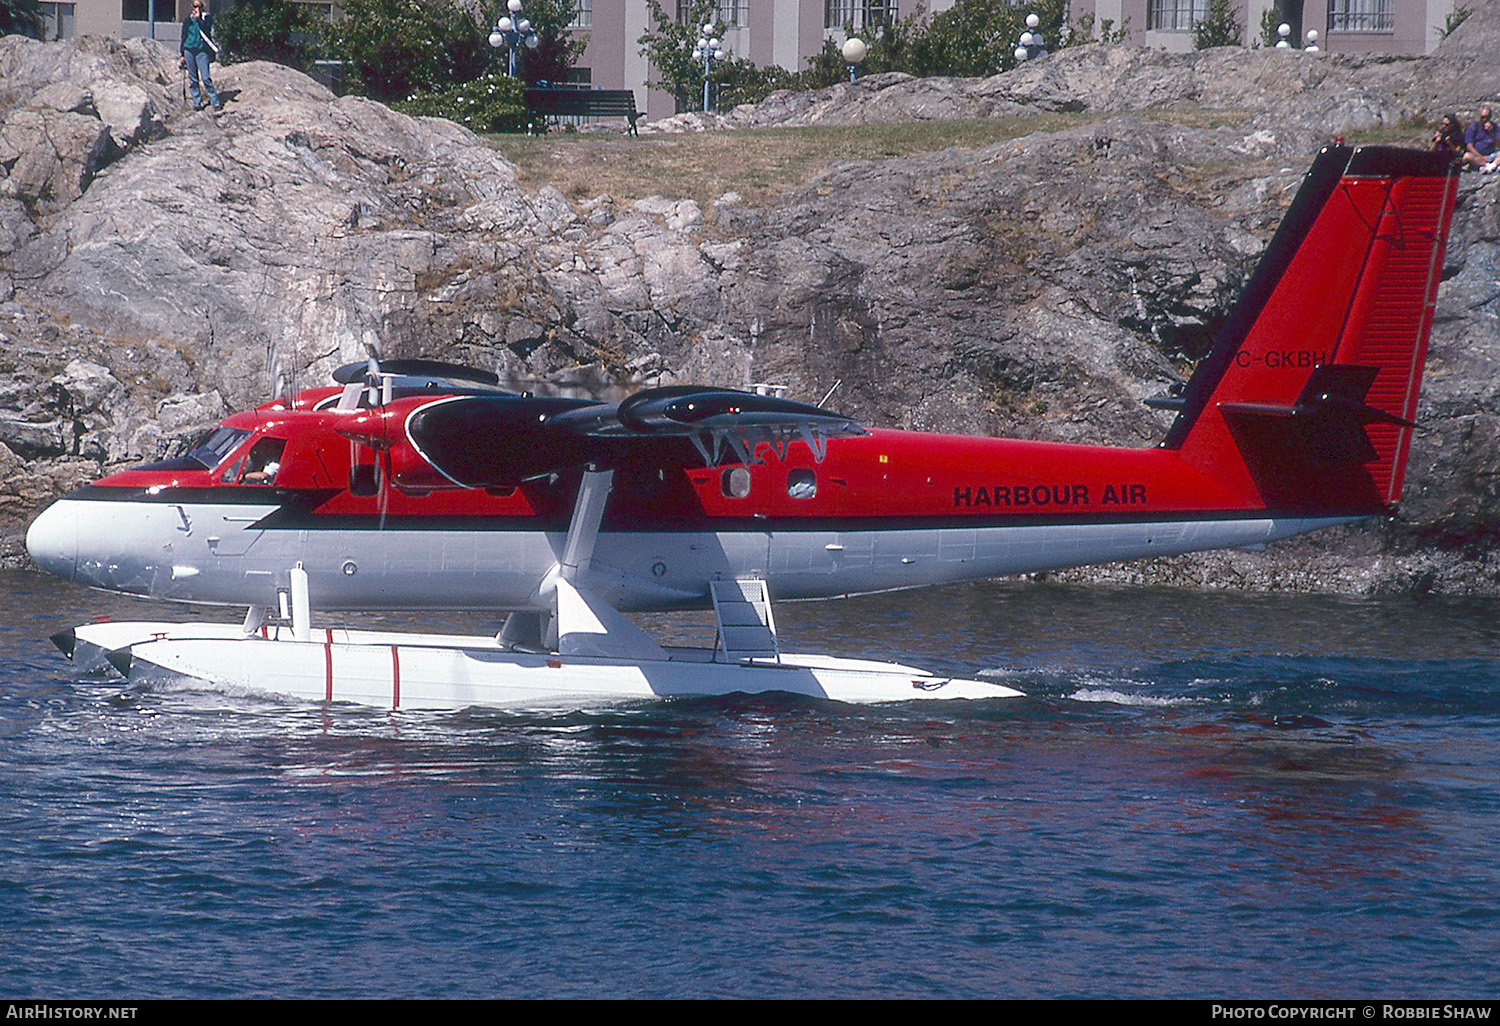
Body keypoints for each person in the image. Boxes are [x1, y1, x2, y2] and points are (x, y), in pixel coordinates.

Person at [179, 0, 222, 114]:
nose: (196, 8)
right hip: (189, 50)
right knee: (193, 79)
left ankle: (215, 102)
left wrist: (198, 19)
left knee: (206, 78)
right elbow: (184, 36)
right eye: (194, 6)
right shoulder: (188, 20)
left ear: (203, 7)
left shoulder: (207, 18)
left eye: (198, 6)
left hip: (202, 51)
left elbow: (206, 29)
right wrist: (182, 54)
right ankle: (197, 102)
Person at [1463, 106, 1499, 173]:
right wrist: (1481, 157)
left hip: (1490, 155)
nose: (1485, 119)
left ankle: (1490, 166)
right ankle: (1490, 165)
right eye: (1483, 117)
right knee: (1467, 156)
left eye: (1487, 117)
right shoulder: (1473, 127)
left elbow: (1499, 145)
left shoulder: (1495, 127)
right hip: (1477, 155)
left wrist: (1491, 133)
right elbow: (1469, 146)